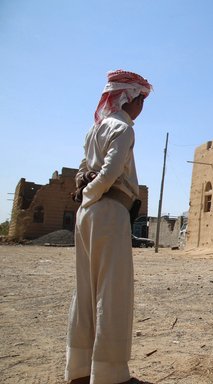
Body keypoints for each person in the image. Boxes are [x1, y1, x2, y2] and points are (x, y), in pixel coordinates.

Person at [65, 70, 153, 384]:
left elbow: (83, 170)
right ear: (129, 98)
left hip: (86, 215)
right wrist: (93, 192)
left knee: (86, 289)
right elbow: (109, 172)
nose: (142, 107)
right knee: (112, 291)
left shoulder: (95, 130)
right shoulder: (123, 129)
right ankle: (110, 375)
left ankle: (79, 369)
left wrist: (84, 196)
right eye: (141, 99)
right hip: (109, 210)